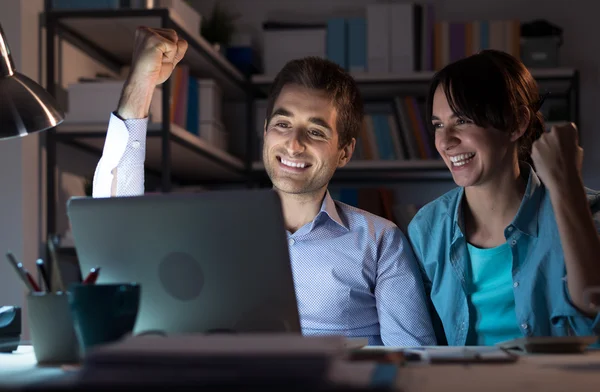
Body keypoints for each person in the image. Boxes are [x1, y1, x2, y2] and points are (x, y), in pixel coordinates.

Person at [92, 26, 436, 346]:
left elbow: (412, 361)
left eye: (315, 131)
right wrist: (141, 83)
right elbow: (118, 231)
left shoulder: (380, 242)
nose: (294, 144)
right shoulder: (209, 229)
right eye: (283, 124)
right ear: (266, 131)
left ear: (344, 151)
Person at [407, 49, 600, 346]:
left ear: (516, 123)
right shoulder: (427, 228)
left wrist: (567, 189)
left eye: (462, 121)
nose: (445, 141)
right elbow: (425, 348)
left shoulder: (586, 210)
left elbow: (593, 324)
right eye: (437, 125)